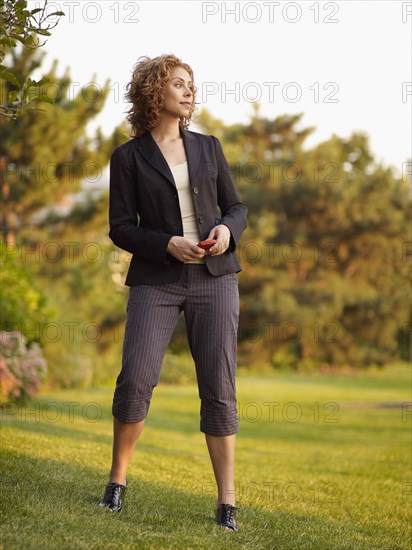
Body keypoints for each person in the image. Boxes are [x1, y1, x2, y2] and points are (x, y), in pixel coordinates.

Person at [98, 54, 247, 533]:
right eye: (178, 84)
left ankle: (227, 502)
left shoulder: (208, 147)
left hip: (215, 278)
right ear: (154, 91)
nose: (188, 92)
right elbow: (120, 228)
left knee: (219, 388)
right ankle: (117, 482)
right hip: (157, 279)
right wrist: (166, 243)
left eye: (190, 85)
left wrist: (226, 230)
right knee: (137, 378)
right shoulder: (127, 157)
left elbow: (237, 206)